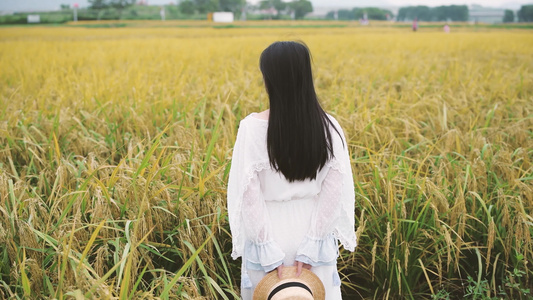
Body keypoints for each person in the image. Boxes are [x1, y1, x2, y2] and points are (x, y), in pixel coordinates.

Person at [227, 41, 357, 300]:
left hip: (269, 232)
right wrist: (314, 244)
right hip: (313, 232)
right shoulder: (330, 126)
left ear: (269, 79)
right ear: (305, 76)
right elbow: (333, 192)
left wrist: (266, 249)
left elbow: (248, 196)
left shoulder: (251, 128)